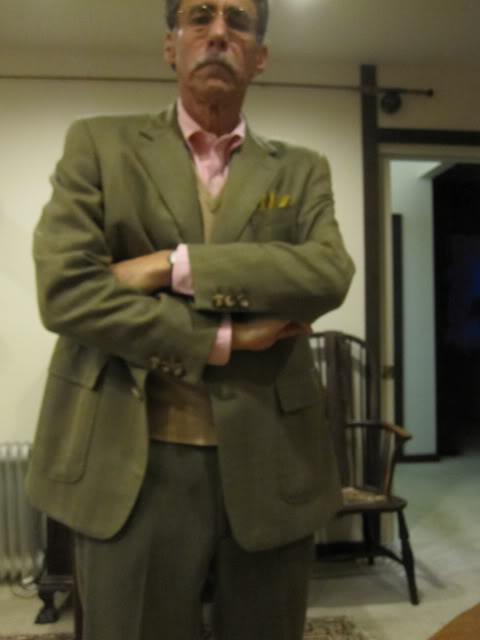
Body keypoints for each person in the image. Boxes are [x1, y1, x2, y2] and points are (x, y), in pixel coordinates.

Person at [26, 1, 355, 639]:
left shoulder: (301, 168)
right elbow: (66, 292)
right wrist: (221, 338)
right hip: (129, 457)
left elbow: (327, 274)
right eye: (200, 16)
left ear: (260, 56)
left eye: (239, 20)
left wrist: (172, 265)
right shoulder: (98, 144)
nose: (219, 32)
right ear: (170, 46)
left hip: (272, 455)